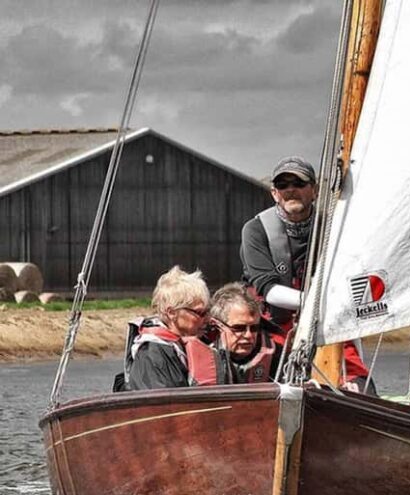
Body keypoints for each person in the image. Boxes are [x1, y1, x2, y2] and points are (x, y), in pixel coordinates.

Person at [239, 155, 374, 391]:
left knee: (358, 384)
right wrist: (317, 303)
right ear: (274, 193)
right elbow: (267, 289)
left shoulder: (335, 228)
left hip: (326, 324)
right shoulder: (256, 230)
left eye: (299, 183)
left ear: (315, 190)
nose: (291, 190)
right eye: (283, 185)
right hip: (274, 326)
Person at [115, 266, 225, 391]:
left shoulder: (201, 342)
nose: (206, 319)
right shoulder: (151, 354)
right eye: (199, 313)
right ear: (172, 313)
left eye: (207, 312)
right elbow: (160, 406)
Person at [209, 283, 276, 384]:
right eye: (239, 328)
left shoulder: (277, 355)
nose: (248, 335)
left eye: (254, 328)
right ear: (217, 326)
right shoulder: (202, 354)